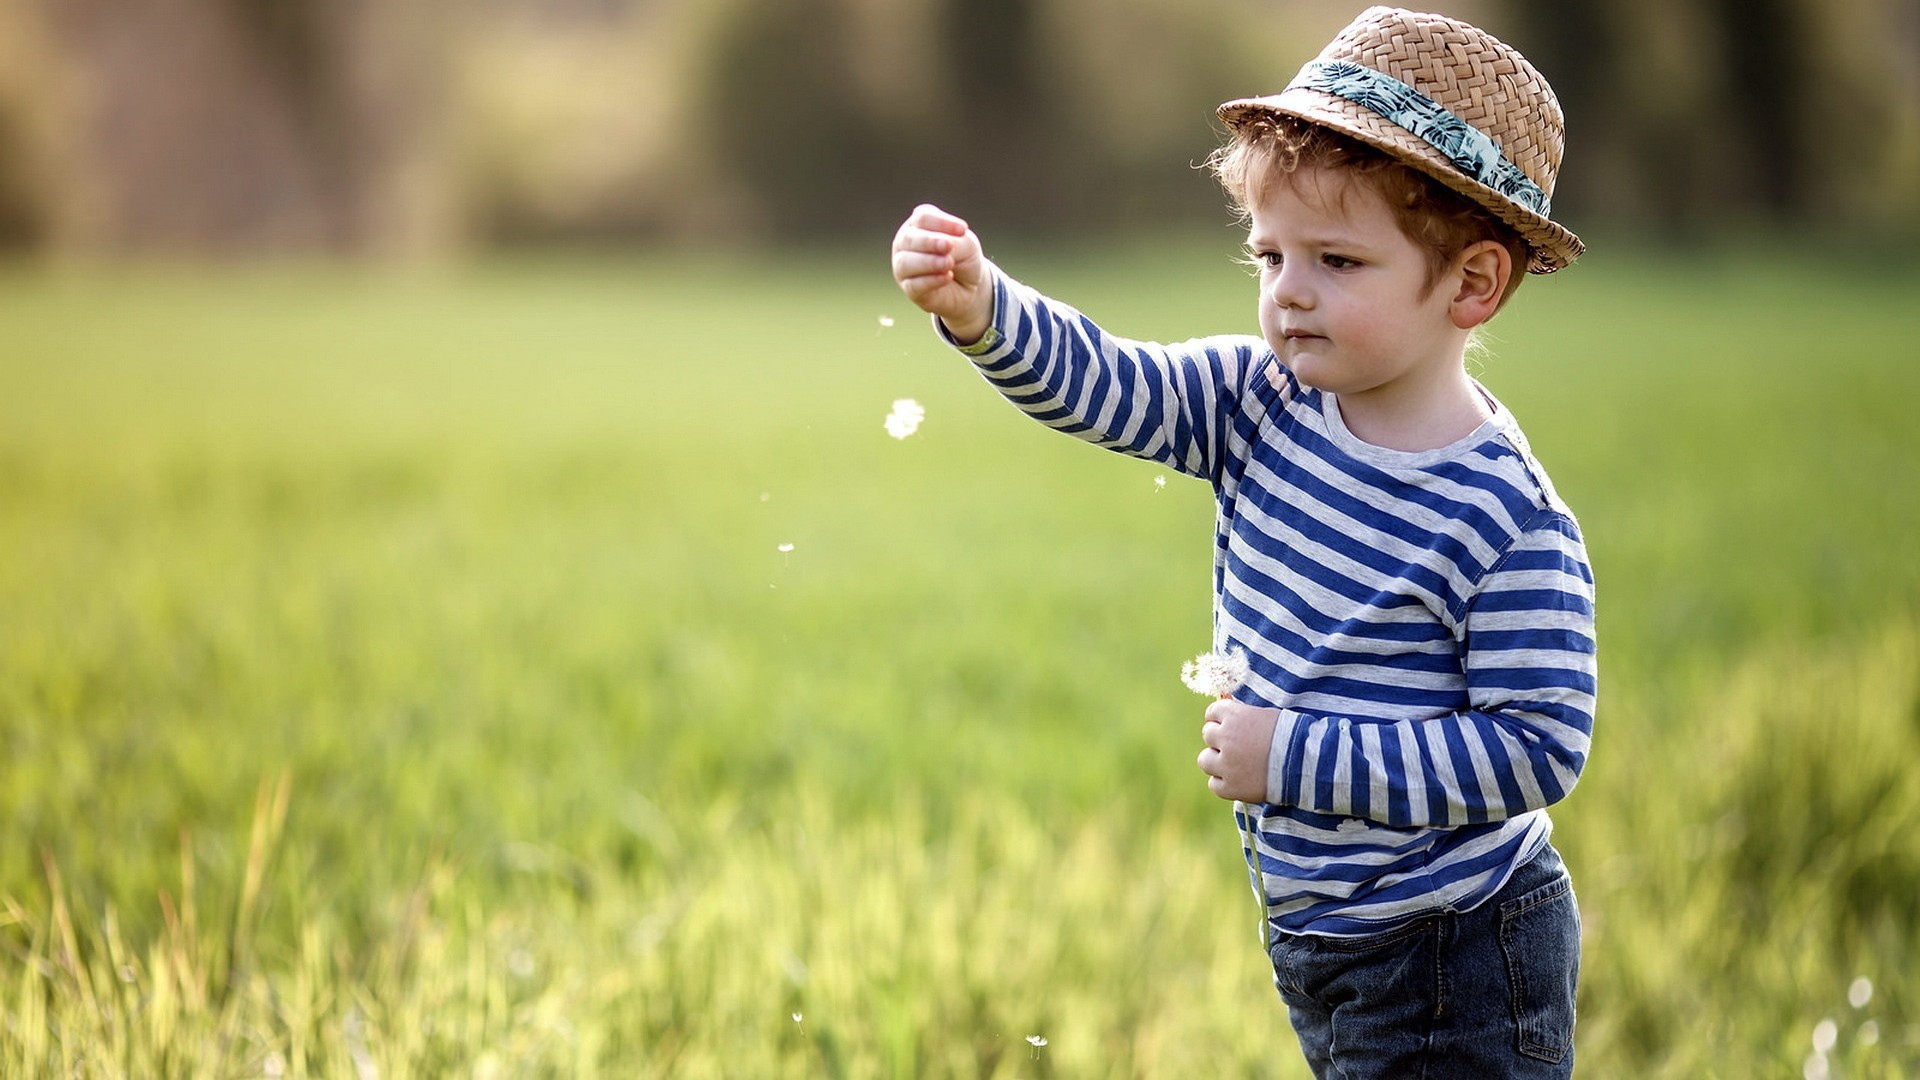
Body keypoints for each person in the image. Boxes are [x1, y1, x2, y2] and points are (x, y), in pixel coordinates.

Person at [889, 6, 1596, 1078]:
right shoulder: (1258, 402)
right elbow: (1115, 385)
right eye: (1270, 255)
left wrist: (1290, 756)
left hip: (1453, 950)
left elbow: (1538, 744)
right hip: (1322, 938)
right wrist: (985, 310)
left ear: (1471, 282)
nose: (1288, 293)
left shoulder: (1501, 516)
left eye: (1338, 261)